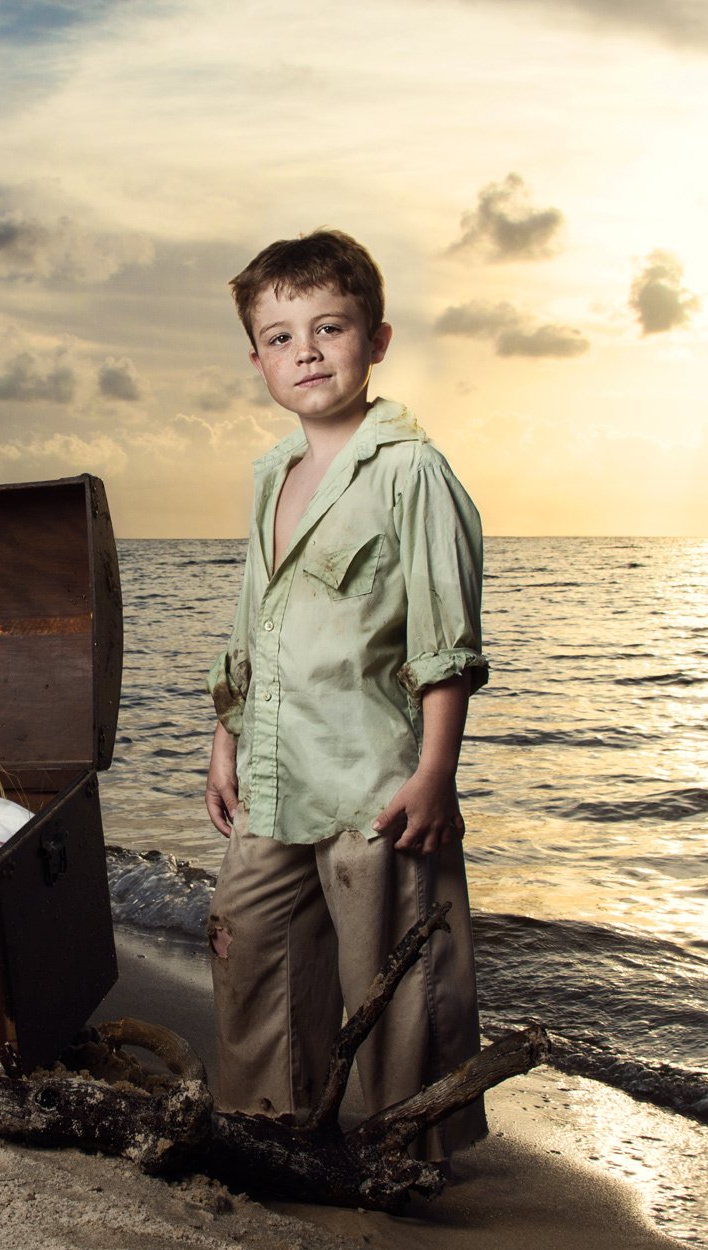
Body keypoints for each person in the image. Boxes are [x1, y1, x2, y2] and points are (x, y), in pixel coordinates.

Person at [202, 229, 489, 1158]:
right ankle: (272, 1130)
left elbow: (446, 643)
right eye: (281, 337)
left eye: (331, 327)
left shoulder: (412, 472)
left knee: (399, 980)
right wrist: (224, 736)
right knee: (252, 949)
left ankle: (412, 1154)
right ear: (257, 359)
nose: (308, 352)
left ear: (378, 337)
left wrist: (436, 773)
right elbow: (253, 621)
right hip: (277, 774)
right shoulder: (270, 476)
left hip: (377, 782)